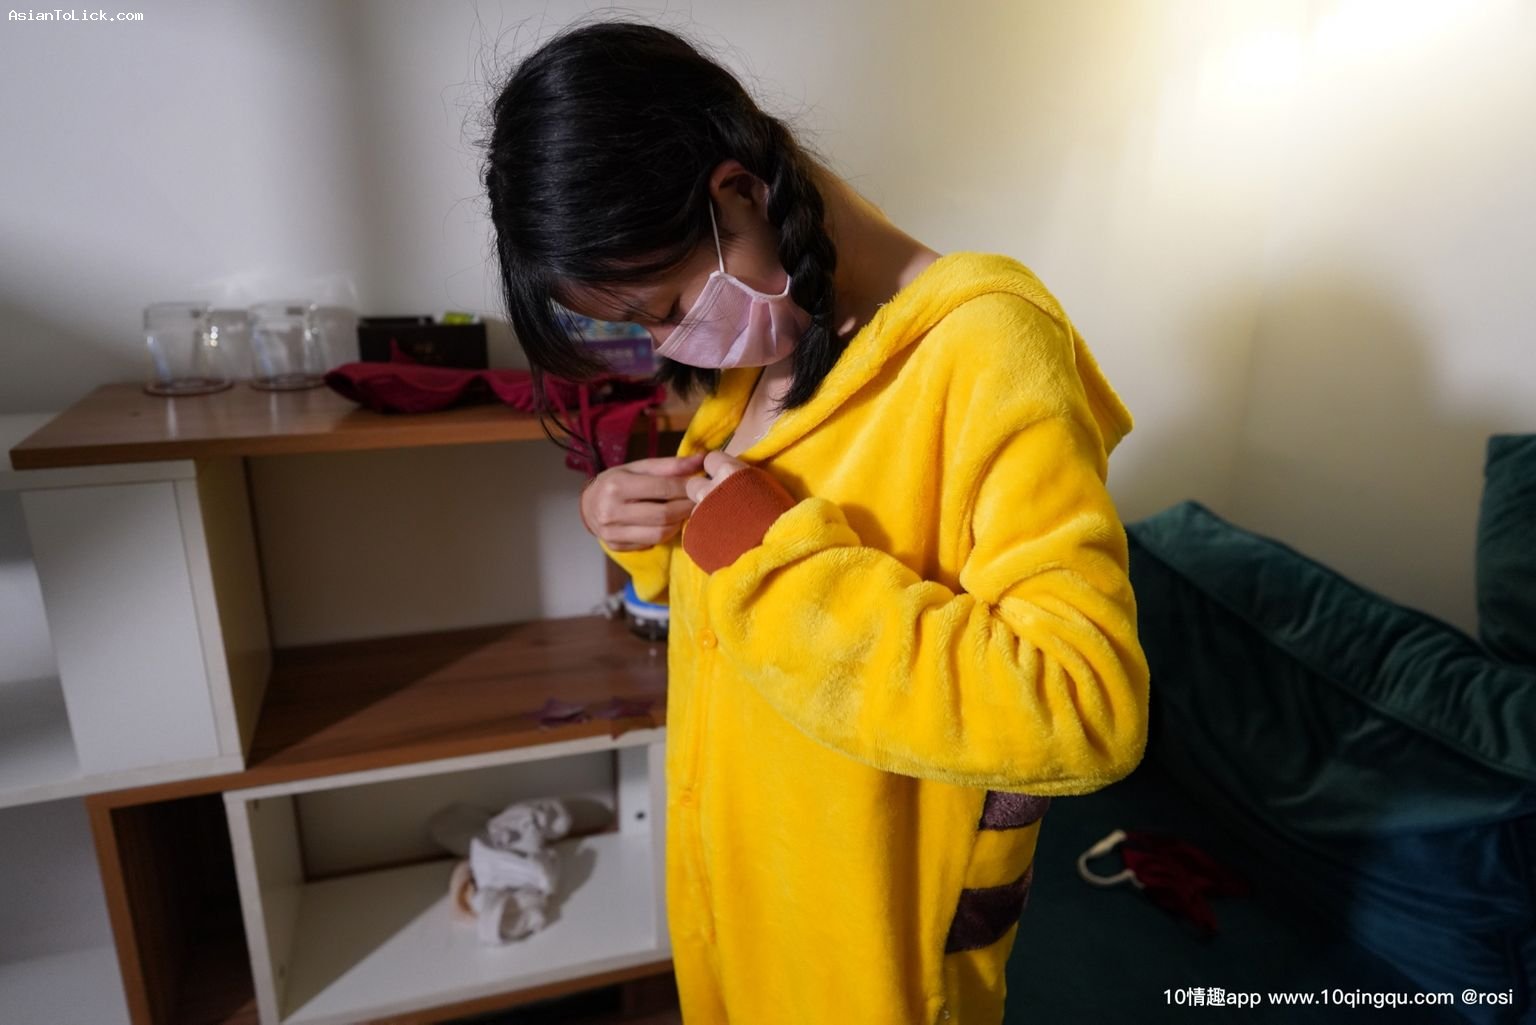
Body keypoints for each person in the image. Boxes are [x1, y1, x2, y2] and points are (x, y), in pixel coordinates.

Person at [482, 19, 1149, 1025]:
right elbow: (730, 583)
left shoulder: (987, 348)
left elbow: (1082, 704)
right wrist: (636, 521)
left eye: (664, 306)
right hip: (745, 895)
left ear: (738, 193)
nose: (665, 346)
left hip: (874, 942)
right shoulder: (766, 355)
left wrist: (775, 558)